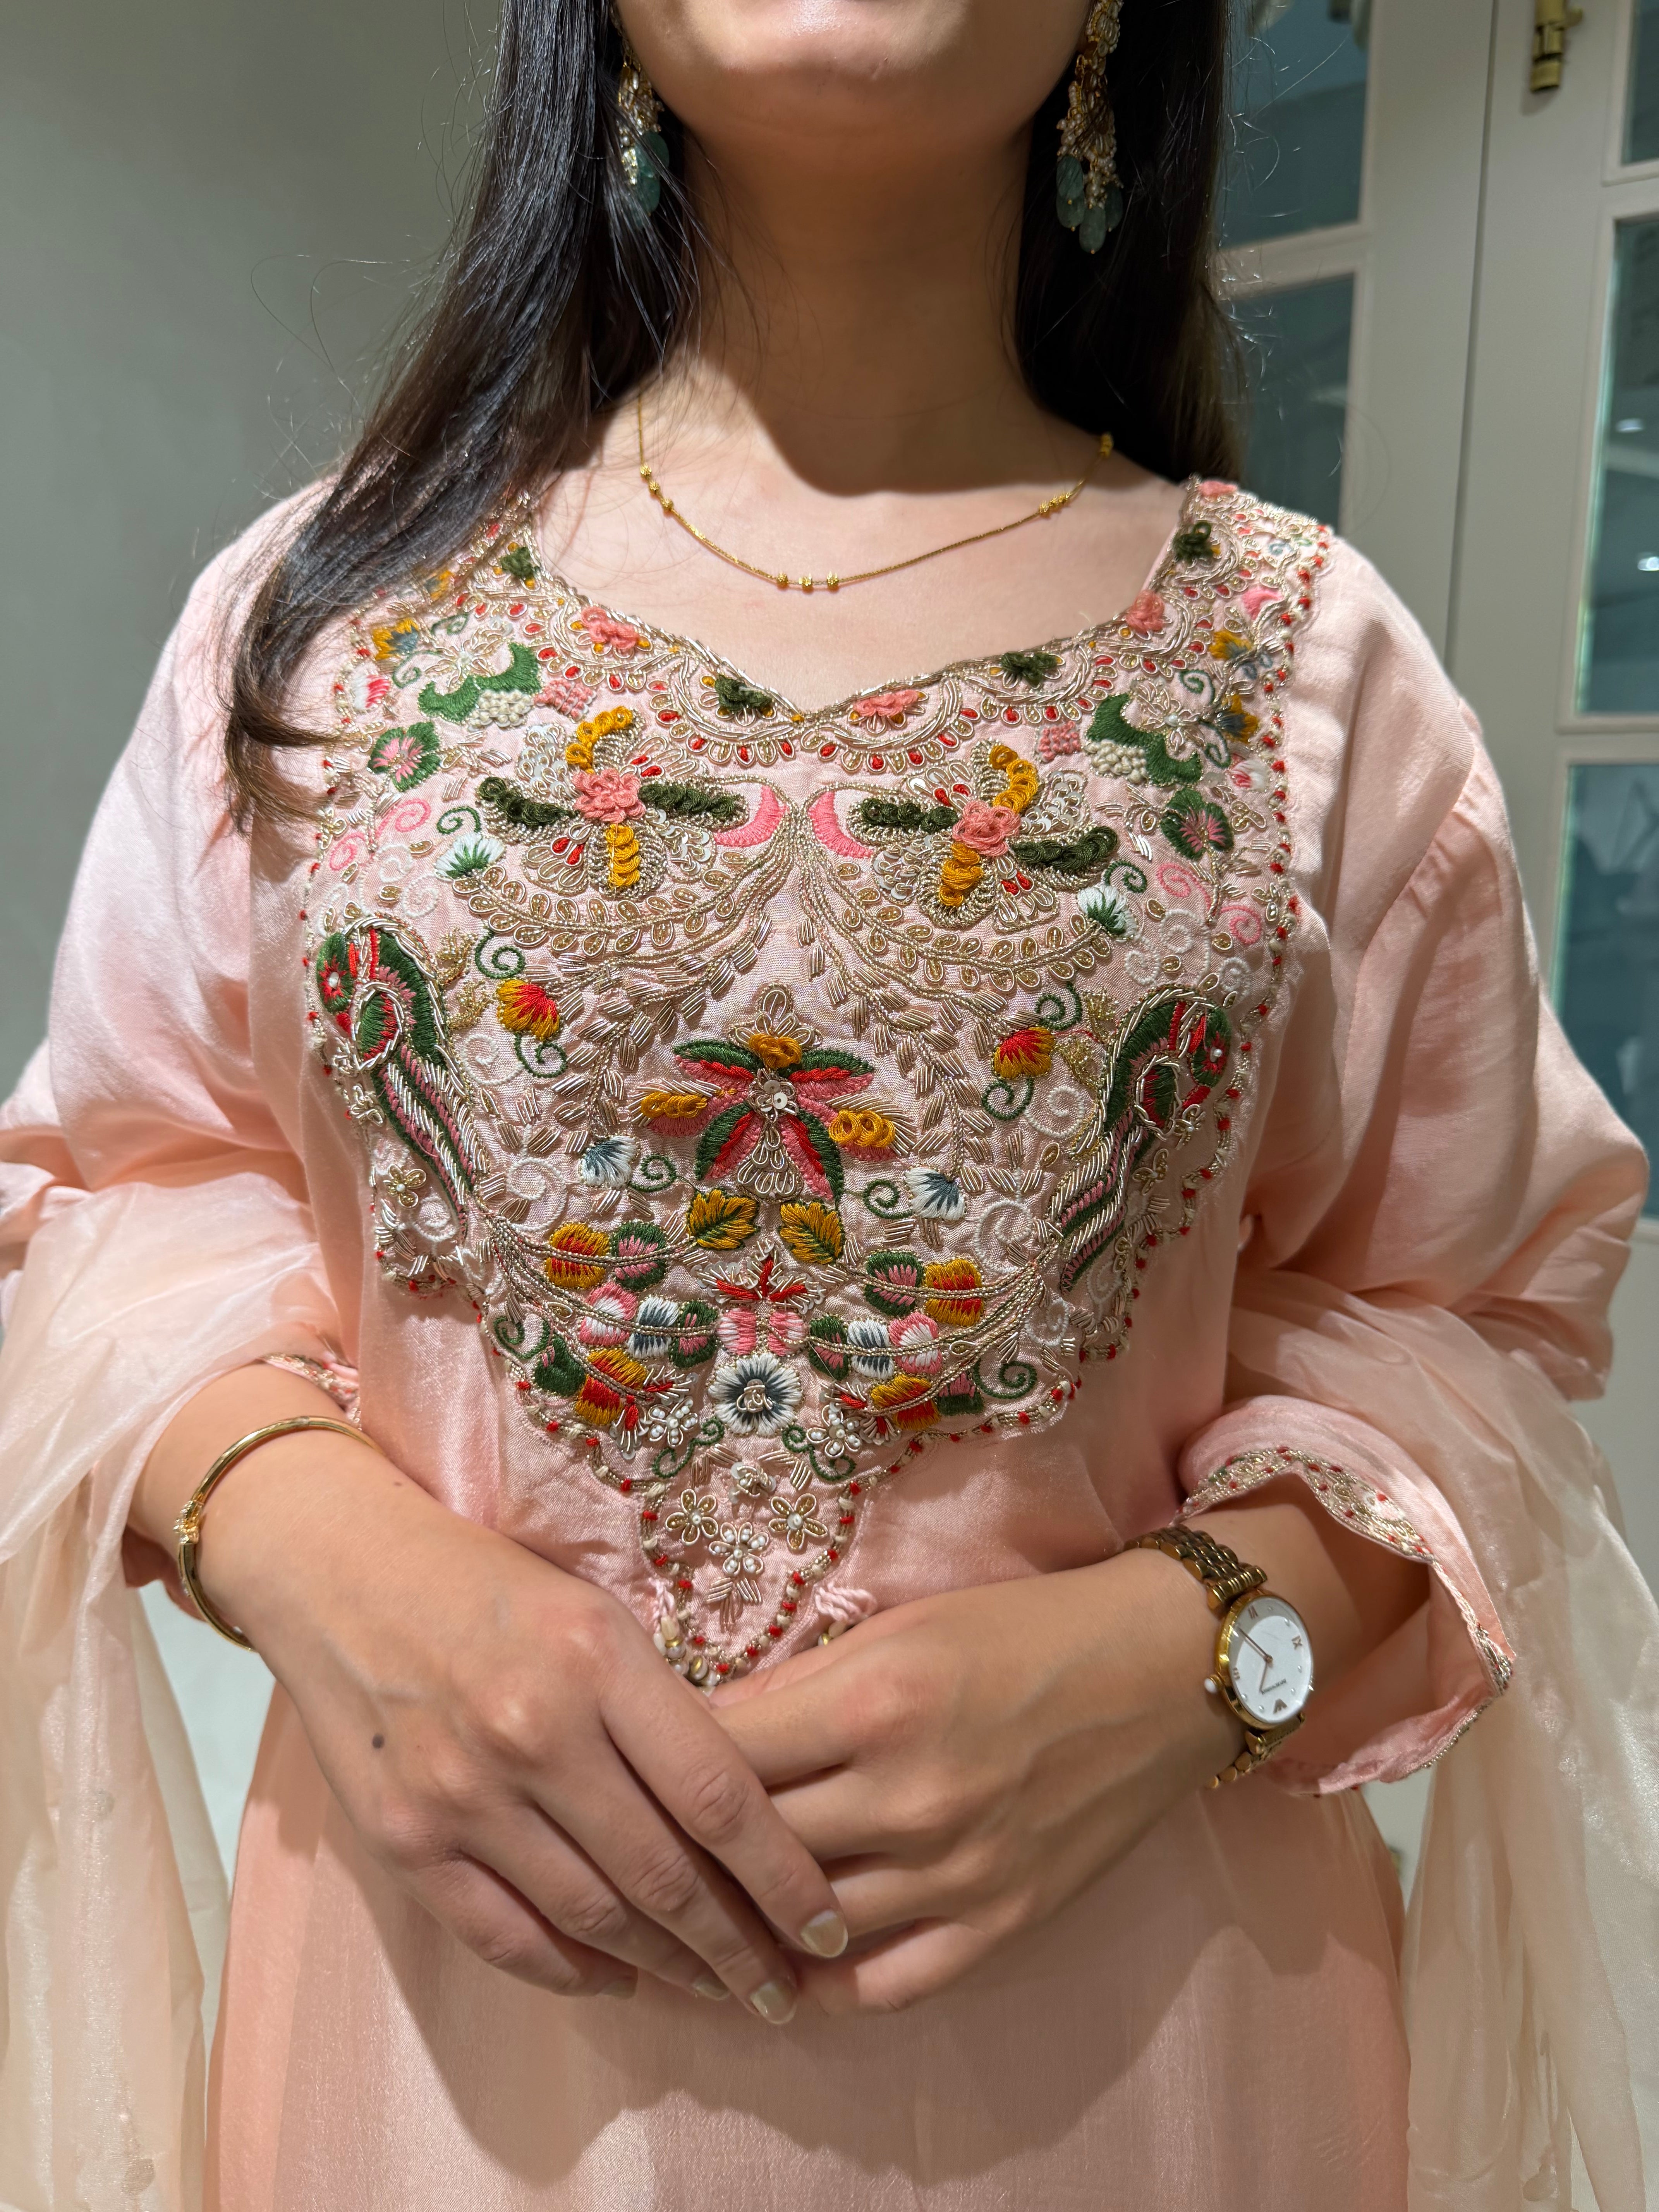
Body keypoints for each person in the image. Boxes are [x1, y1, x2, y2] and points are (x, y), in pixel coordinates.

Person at [1, 1, 1656, 2206]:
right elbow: (114, 1198)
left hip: (1144, 2046)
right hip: (455, 2047)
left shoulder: (1307, 666)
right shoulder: (324, 626)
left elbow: (1472, 1318)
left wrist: (1185, 1658)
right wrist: (330, 1559)